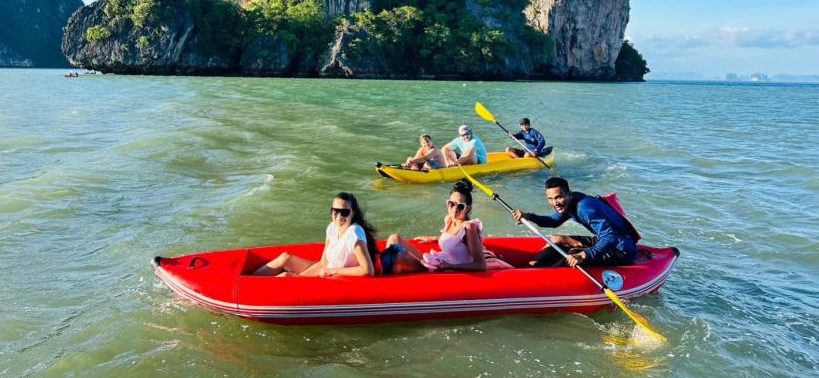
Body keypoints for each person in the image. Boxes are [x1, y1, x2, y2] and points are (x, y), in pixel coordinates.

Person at [380, 180, 512, 274]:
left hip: (445, 269)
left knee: (399, 257)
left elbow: (481, 265)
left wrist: (449, 266)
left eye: (460, 206)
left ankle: (385, 281)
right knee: (394, 238)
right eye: (451, 204)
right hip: (439, 260)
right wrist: (434, 238)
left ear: (468, 208)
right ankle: (386, 272)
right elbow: (455, 241)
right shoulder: (449, 220)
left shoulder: (469, 228)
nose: (455, 209)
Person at [511, 177, 637, 268]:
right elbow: (553, 222)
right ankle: (529, 268)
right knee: (556, 239)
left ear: (569, 194)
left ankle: (541, 278)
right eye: (550, 199)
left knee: (572, 255)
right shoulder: (570, 202)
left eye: (559, 197)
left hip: (621, 250)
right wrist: (528, 216)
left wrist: (585, 254)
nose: (555, 203)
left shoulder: (585, 209)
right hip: (606, 240)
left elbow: (610, 237)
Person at [252, 192, 377, 277]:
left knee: (286, 277)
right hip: (325, 271)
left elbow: (367, 270)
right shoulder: (332, 228)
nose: (338, 216)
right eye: (335, 211)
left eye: (344, 212)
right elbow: (323, 263)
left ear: (353, 213)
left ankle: (250, 290)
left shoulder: (354, 233)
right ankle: (247, 280)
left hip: (337, 278)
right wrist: (301, 278)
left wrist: (333, 271)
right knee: (286, 258)